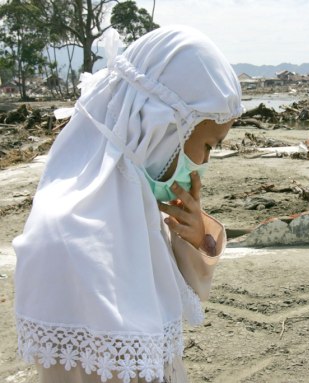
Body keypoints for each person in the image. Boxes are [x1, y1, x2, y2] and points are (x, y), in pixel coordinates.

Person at [12, 25, 243, 383]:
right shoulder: (70, 232)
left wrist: (198, 237)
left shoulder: (135, 202)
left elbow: (186, 289)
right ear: (163, 128)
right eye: (209, 145)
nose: (205, 162)